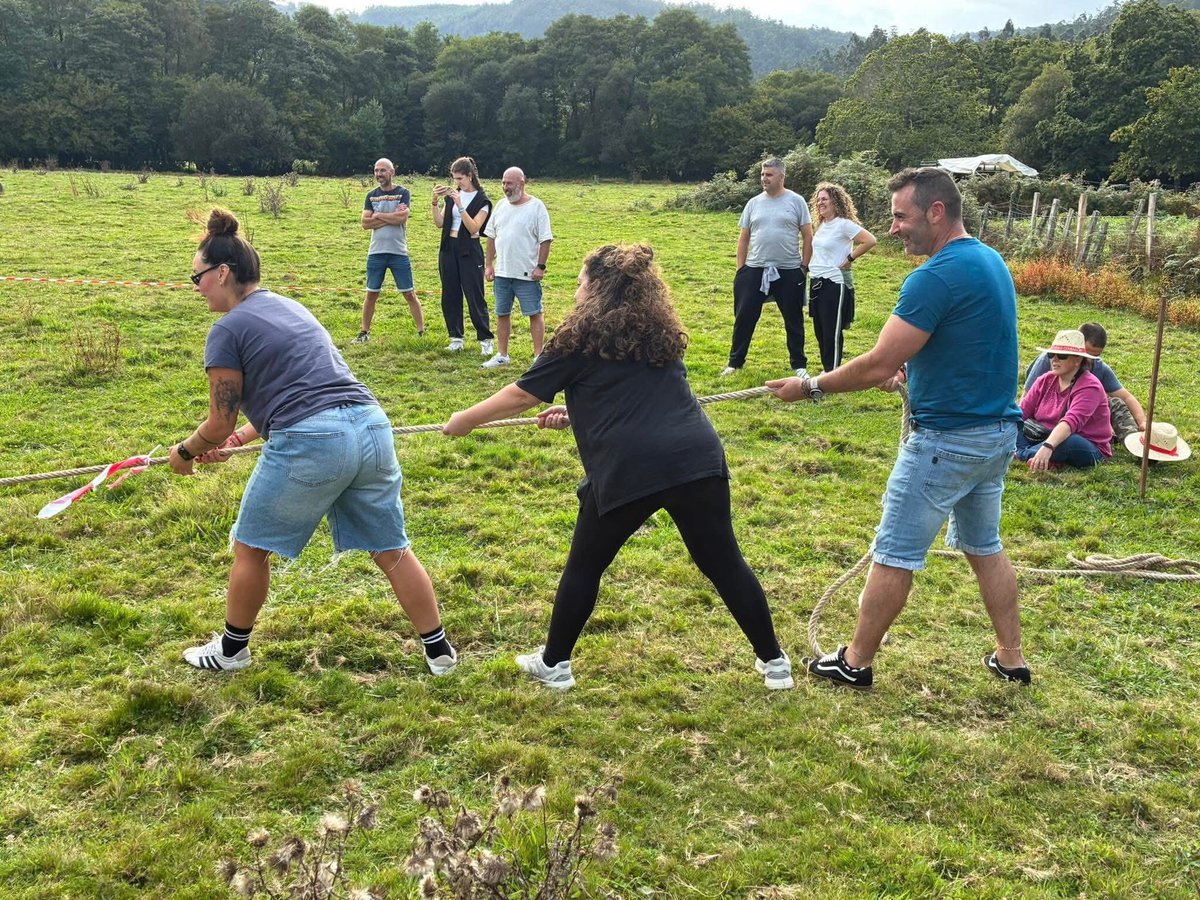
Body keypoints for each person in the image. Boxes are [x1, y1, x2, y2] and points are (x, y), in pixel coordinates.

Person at [443, 244, 793, 691]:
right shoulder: (659, 331)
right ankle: (775, 663)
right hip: (696, 457)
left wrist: (466, 420)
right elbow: (636, 394)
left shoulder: (576, 337)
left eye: (580, 282)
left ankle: (554, 664)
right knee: (725, 563)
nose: (575, 291)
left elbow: (523, 394)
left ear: (598, 288)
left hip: (632, 466)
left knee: (585, 566)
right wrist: (578, 409)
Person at [766, 167, 1029, 688]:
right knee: (985, 547)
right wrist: (914, 368)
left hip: (945, 444)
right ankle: (1011, 657)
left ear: (936, 212)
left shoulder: (933, 278)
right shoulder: (989, 260)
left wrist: (811, 386)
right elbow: (964, 340)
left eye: (900, 216)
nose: (892, 229)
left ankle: (855, 662)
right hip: (995, 436)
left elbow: (877, 363)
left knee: (893, 554)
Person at [170, 208, 455, 676]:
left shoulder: (226, 330)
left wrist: (185, 452)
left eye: (197, 277)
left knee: (250, 547)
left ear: (221, 273)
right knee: (391, 549)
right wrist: (244, 436)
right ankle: (439, 650)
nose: (196, 287)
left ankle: (232, 651)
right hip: (370, 426)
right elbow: (304, 387)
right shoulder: (291, 307)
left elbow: (218, 422)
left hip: (314, 440)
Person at [720, 157, 813, 378]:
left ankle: (799, 365)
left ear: (781, 177)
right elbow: (744, 238)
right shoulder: (753, 203)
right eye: (762, 174)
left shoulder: (796, 201)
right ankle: (735, 362)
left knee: (793, 319)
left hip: (789, 270)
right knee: (744, 317)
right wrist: (741, 270)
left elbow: (808, 236)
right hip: (755, 269)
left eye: (769, 175)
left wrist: (804, 266)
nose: (764, 178)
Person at [1023, 322, 1146, 442]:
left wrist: (1143, 422)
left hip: (1081, 412)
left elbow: (1126, 397)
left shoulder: (1098, 368)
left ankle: (1134, 441)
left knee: (1115, 403)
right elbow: (1027, 398)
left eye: (1095, 355)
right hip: (1050, 410)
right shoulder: (1050, 361)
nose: (1088, 359)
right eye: (1086, 353)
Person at [481, 166, 552, 369]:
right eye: (503, 183)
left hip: (527, 274)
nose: (505, 187)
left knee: (534, 313)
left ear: (522, 183)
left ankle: (538, 357)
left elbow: (545, 239)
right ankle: (502, 355)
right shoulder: (500, 206)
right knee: (502, 313)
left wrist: (540, 267)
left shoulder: (536, 207)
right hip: (502, 273)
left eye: (509, 183)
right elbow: (491, 237)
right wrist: (489, 265)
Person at [1016, 329, 1113, 470]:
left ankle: (1021, 453)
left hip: (1085, 443)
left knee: (1069, 441)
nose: (1054, 359)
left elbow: (1070, 422)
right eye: (1051, 354)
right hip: (1043, 434)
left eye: (1062, 356)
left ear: (1077, 360)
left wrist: (1047, 446)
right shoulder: (1045, 379)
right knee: (1012, 425)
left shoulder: (1091, 386)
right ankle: (1032, 454)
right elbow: (1022, 411)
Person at [353, 157, 425, 344]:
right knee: (371, 293)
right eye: (376, 170)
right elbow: (365, 223)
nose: (379, 174)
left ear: (392, 172)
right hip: (376, 252)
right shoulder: (371, 195)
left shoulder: (403, 193)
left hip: (399, 252)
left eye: (383, 170)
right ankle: (364, 332)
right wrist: (390, 217)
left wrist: (378, 215)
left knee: (409, 293)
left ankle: (421, 332)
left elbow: (402, 218)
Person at [807, 182, 877, 373]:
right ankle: (826, 369)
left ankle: (832, 372)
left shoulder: (844, 225)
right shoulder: (822, 225)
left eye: (824, 199)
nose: (820, 203)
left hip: (834, 283)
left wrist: (849, 258)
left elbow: (870, 240)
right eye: (818, 200)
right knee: (820, 329)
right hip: (816, 281)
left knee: (832, 329)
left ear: (835, 201)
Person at [432, 156, 495, 356]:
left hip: (469, 249)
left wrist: (460, 205)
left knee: (474, 295)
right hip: (448, 248)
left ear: (470, 176)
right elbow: (440, 223)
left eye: (460, 178)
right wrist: (434, 202)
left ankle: (485, 339)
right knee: (450, 293)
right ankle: (456, 338)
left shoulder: (482, 201)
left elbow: (474, 227)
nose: (457, 183)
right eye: (454, 179)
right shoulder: (452, 196)